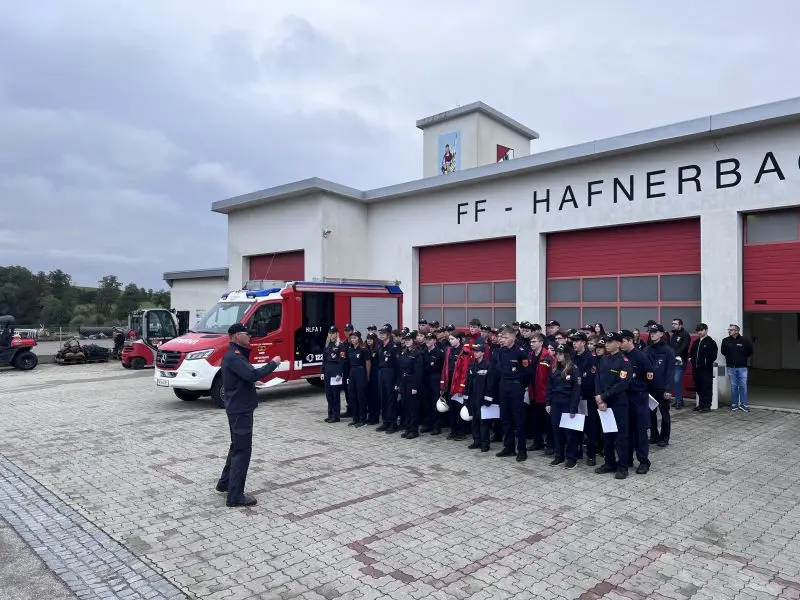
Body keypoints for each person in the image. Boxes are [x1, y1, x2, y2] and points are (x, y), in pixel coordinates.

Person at [216, 323, 282, 508]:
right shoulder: (234, 356)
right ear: (236, 336)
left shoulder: (235, 354)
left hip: (238, 408)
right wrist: (273, 364)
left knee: (236, 446)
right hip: (240, 410)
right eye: (246, 334)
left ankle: (225, 483)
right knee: (242, 451)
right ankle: (235, 496)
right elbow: (252, 374)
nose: (250, 336)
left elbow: (244, 377)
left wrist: (252, 381)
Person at [488, 327, 531, 462]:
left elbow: (527, 372)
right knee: (505, 418)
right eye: (502, 337)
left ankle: (522, 450)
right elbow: (496, 370)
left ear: (513, 337)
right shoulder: (500, 351)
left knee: (518, 420)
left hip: (516, 386)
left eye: (505, 337)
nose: (503, 339)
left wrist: (520, 386)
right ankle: (509, 447)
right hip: (503, 385)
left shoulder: (520, 352)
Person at [594, 331, 631, 480]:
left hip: (618, 403)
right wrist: (598, 396)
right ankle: (609, 463)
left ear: (618, 343)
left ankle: (623, 466)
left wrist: (603, 397)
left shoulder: (624, 361)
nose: (607, 345)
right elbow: (597, 378)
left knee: (620, 436)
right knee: (607, 434)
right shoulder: (604, 359)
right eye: (606, 342)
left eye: (610, 342)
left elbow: (622, 384)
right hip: (603, 402)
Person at [545, 344, 581, 469]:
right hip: (556, 403)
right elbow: (549, 387)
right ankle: (559, 456)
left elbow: (576, 390)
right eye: (557, 354)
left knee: (569, 433)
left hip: (567, 403)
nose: (557, 356)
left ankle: (571, 458)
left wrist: (573, 408)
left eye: (560, 354)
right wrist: (548, 402)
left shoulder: (573, 369)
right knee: (557, 431)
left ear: (566, 355)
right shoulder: (554, 368)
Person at [645, 324, 676, 447]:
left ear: (661, 333)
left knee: (664, 414)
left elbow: (670, 371)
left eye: (655, 332)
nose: (652, 334)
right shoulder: (647, 350)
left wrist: (668, 389)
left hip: (662, 388)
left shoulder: (668, 350)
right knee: (650, 413)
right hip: (649, 388)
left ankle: (664, 437)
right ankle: (654, 435)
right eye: (651, 332)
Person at [721, 324, 753, 412]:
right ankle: (734, 404)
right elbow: (723, 351)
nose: (729, 331)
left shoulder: (744, 340)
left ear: (737, 331)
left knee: (743, 386)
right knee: (733, 386)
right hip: (731, 367)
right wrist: (730, 357)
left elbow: (749, 351)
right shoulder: (725, 340)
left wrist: (742, 358)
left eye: (731, 330)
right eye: (729, 329)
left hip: (742, 367)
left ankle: (744, 404)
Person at [689, 323, 718, 412]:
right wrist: (691, 359)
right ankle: (701, 405)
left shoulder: (711, 342)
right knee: (699, 387)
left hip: (706, 369)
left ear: (706, 330)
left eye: (701, 330)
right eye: (698, 330)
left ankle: (707, 406)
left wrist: (705, 363)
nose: (699, 332)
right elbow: (691, 353)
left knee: (706, 387)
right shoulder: (696, 342)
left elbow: (713, 356)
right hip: (696, 369)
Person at [321, 326, 346, 423]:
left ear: (336, 334)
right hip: (327, 371)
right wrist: (322, 372)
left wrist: (339, 373)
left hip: (335, 372)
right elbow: (324, 360)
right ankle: (330, 414)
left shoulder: (340, 345)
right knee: (329, 394)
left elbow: (342, 360)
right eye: (330, 333)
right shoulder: (327, 345)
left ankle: (336, 416)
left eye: (333, 333)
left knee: (335, 394)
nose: (331, 335)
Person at [669, 318, 690, 408]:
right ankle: (678, 399)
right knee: (673, 381)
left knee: (677, 380)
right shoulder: (673, 335)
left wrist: (674, 354)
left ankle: (679, 401)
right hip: (672, 361)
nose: (673, 325)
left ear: (680, 325)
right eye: (672, 323)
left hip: (680, 361)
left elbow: (683, 347)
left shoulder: (685, 334)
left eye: (675, 324)